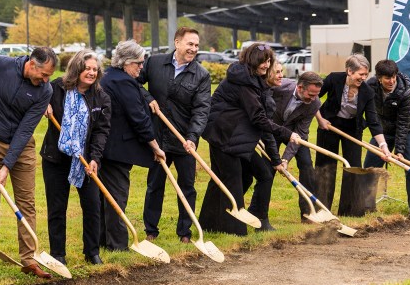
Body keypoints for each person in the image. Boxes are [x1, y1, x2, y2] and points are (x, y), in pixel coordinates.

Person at [0, 46, 57, 280]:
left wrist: (7, 166)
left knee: (26, 203)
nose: (47, 80)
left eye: (49, 76)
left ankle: (29, 259)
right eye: (44, 74)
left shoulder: (45, 91)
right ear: (31, 64)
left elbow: (25, 130)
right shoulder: (0, 65)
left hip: (22, 146)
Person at [199, 43, 300, 236]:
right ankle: (234, 230)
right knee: (232, 179)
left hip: (238, 138)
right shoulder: (244, 82)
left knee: (240, 177)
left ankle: (212, 222)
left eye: (268, 61)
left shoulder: (256, 82)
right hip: (224, 136)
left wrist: (276, 159)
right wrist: (287, 133)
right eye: (263, 61)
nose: (266, 65)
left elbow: (263, 124)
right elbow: (258, 118)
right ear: (252, 60)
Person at [137, 27, 210, 244]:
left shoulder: (201, 75)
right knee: (155, 185)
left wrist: (193, 137)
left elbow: (202, 109)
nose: (193, 49)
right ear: (177, 43)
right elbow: (134, 82)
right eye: (190, 44)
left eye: (196, 45)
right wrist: (147, 97)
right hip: (158, 137)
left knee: (187, 186)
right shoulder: (154, 63)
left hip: (184, 139)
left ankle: (185, 232)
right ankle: (150, 230)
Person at [40, 50, 111, 266]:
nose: (91, 72)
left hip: (85, 159)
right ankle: (58, 254)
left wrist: (95, 159)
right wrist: (43, 104)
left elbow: (101, 131)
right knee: (57, 207)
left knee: (92, 205)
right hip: (56, 157)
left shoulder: (101, 97)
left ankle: (92, 252)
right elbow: (36, 93)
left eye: (94, 69)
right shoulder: (56, 88)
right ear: (77, 68)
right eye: (87, 68)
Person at [99, 39, 165, 251]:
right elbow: (138, 118)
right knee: (117, 197)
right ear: (126, 62)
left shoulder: (110, 76)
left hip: (106, 147)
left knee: (106, 196)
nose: (141, 67)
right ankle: (117, 245)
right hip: (116, 149)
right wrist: (155, 146)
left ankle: (104, 240)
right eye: (138, 62)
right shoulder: (122, 82)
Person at [315, 54, 391, 210]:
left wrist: (383, 146)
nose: (363, 78)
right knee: (326, 165)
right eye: (360, 74)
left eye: (366, 74)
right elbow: (314, 96)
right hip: (329, 124)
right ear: (349, 71)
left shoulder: (367, 92)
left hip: (352, 128)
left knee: (353, 167)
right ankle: (321, 208)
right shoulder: (334, 79)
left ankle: (349, 210)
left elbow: (373, 121)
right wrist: (320, 119)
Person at [363, 59, 410, 221]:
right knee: (369, 166)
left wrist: (400, 150)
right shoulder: (370, 86)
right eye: (387, 78)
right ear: (379, 78)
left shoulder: (404, 92)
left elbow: (403, 123)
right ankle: (367, 205)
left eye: (394, 77)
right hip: (382, 130)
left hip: (407, 129)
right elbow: (366, 112)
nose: (392, 81)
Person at [267, 71, 323, 222]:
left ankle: (308, 213)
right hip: (270, 129)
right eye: (311, 94)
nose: (313, 99)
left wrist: (285, 159)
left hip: (293, 133)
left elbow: (301, 132)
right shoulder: (278, 88)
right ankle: (261, 213)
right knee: (267, 170)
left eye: (316, 94)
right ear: (299, 88)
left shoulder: (315, 103)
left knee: (306, 165)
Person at [242, 61, 287, 231]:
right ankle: (259, 218)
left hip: (245, 140)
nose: (281, 75)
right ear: (267, 73)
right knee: (265, 175)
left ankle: (253, 215)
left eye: (282, 71)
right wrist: (276, 160)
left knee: (248, 177)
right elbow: (265, 127)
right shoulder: (259, 92)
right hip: (237, 141)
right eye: (277, 72)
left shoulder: (266, 91)